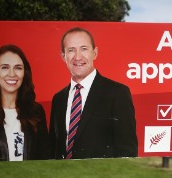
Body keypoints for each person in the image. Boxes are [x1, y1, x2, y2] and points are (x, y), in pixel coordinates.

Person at [49, 27, 138, 159]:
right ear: (63, 56)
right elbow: (54, 150)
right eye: (71, 50)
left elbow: (127, 152)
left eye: (84, 49)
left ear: (94, 53)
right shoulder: (58, 98)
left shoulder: (117, 93)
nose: (78, 57)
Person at [0, 44, 49, 161]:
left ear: (24, 73)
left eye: (18, 68)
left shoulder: (36, 112)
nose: (12, 74)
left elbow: (44, 158)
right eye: (5, 67)